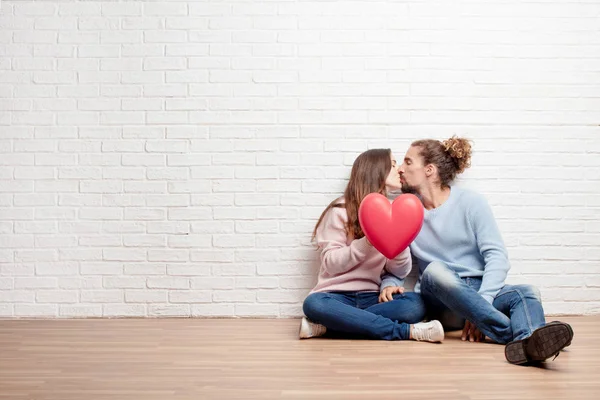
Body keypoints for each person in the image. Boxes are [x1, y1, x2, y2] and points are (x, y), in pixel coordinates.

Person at [381, 136, 573, 364]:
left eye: (408, 162)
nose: (401, 169)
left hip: (479, 290)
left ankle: (529, 344)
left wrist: (482, 302)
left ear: (429, 170)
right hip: (440, 297)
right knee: (435, 270)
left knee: (526, 292)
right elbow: (396, 256)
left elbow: (497, 256)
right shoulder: (406, 210)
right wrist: (389, 283)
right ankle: (511, 333)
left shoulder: (471, 203)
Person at [299, 148, 444, 343]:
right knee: (314, 304)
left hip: (372, 297)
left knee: (414, 305)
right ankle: (406, 332)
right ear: (376, 170)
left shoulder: (394, 214)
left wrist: (398, 242)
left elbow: (400, 271)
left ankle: (332, 325)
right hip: (335, 297)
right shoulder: (340, 210)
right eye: (392, 164)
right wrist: (368, 241)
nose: (399, 169)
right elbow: (330, 264)